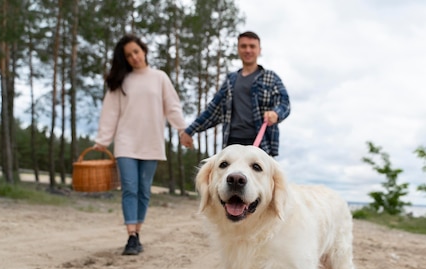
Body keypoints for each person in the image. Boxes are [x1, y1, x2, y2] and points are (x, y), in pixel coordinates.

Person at [93, 33, 187, 256]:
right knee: (129, 188)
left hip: (151, 142)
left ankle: (138, 231)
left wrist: (182, 130)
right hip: (126, 142)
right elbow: (110, 113)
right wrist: (102, 141)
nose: (134, 57)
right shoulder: (121, 82)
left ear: (144, 50)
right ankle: (131, 236)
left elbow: (172, 106)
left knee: (144, 191)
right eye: (128, 55)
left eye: (136, 51)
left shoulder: (160, 77)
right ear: (124, 59)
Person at [179, 31, 290, 157]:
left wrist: (276, 113)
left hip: (261, 145)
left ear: (259, 50)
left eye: (252, 46)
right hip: (232, 144)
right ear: (238, 49)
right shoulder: (230, 81)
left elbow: (284, 103)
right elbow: (212, 111)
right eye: (243, 46)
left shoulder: (271, 78)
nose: (248, 50)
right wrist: (190, 131)